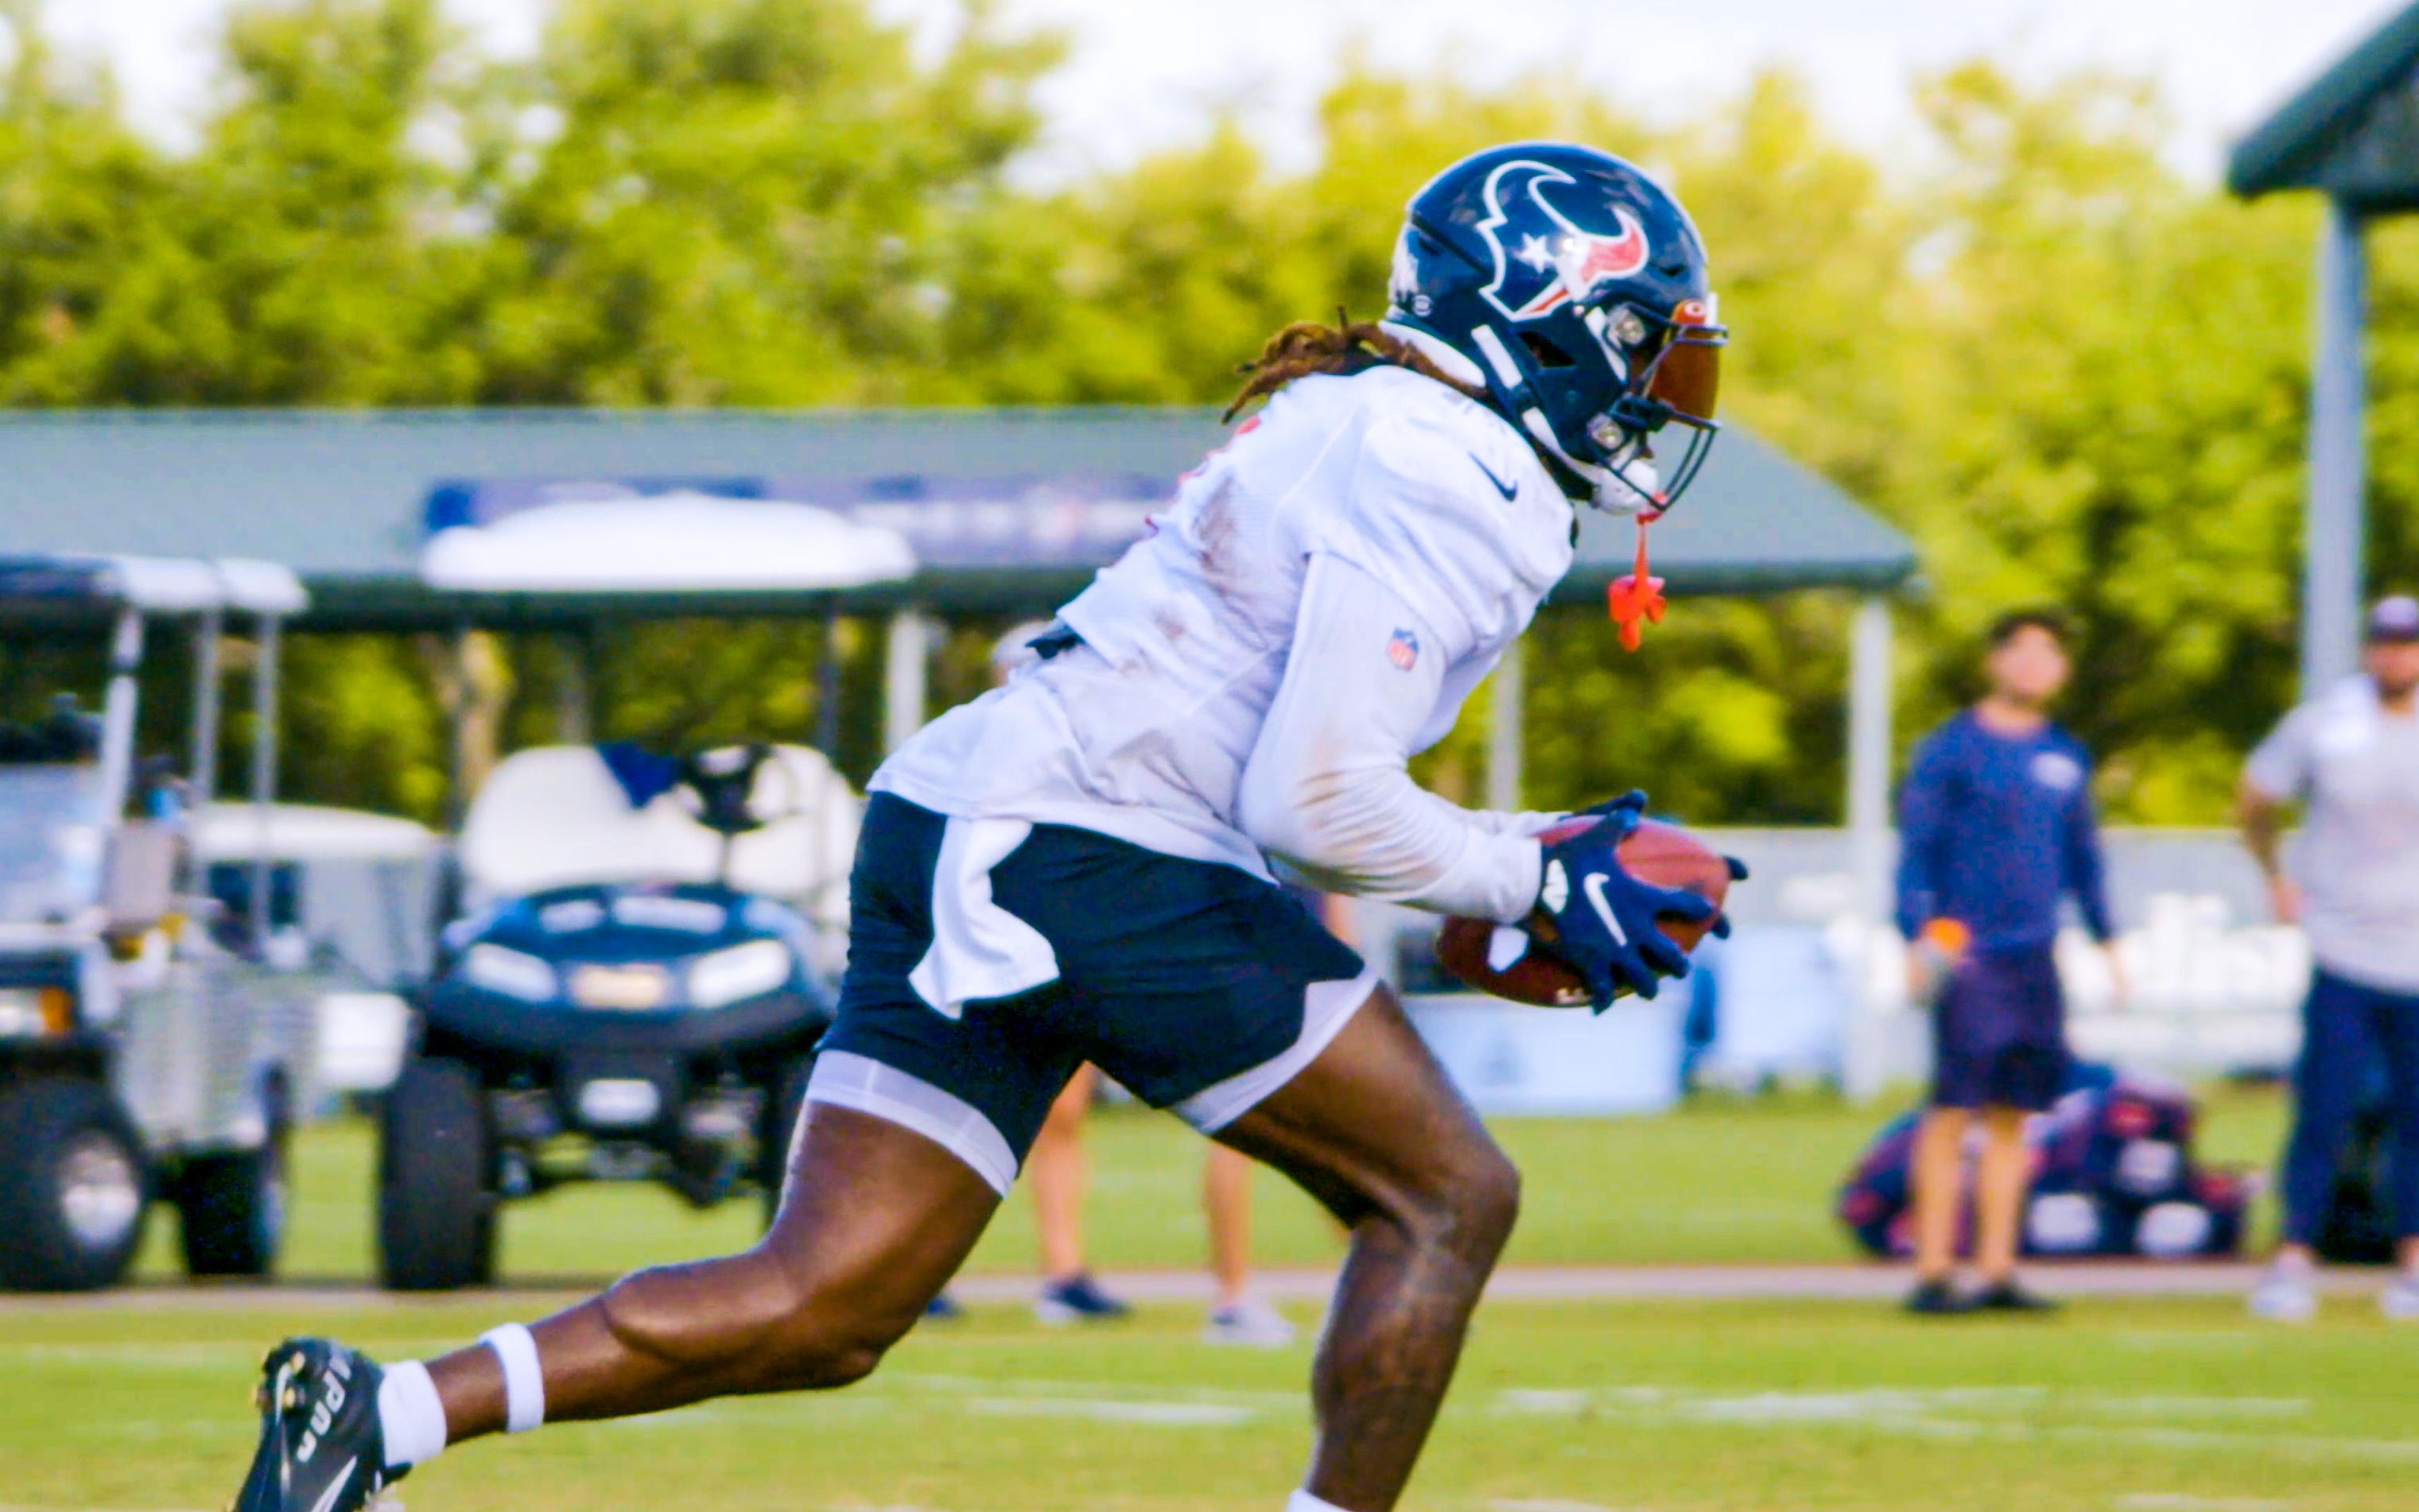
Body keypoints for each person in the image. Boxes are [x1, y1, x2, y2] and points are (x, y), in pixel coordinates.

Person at [228, 141, 1727, 1512]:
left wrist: (1520, 858)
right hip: (1102, 847)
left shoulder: (1370, 419)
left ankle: (375, 1418)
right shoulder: (1451, 465)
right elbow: (1313, 799)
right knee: (1446, 1193)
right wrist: (1527, 876)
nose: (1660, 395)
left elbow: (1280, 758)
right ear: (1541, 320)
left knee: (827, 1301)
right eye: (1643, 348)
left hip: (970, 810)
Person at [1893, 609, 2122, 1316]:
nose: (2033, 666)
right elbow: (1917, 850)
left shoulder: (2064, 756)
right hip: (1970, 955)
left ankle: (1997, 1269)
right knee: (1951, 1109)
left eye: (2047, 654)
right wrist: (1915, 936)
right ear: (1995, 661)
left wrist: (2109, 941)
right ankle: (1933, 1270)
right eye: (2021, 652)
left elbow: (2083, 859)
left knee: (2014, 1114)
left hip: (2035, 955)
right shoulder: (1951, 750)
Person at [2240, 595, 2419, 1324]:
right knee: (2324, 1109)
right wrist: (2275, 876)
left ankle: (2413, 1261)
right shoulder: (2326, 723)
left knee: (2416, 1115)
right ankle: (2293, 1257)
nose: (2396, 653)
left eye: (2409, 642)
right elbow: (2256, 796)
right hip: (2343, 949)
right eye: (2386, 640)